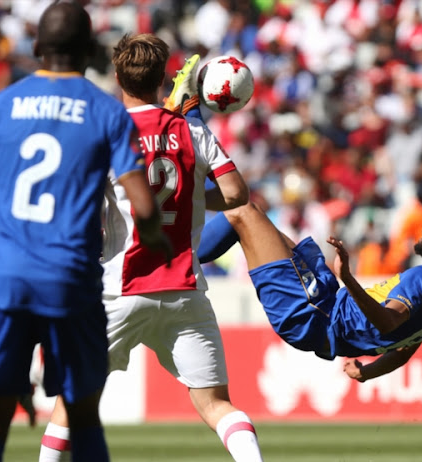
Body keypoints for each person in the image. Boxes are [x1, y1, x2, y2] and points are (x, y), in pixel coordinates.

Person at [38, 34, 263, 462]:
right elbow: (236, 195)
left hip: (119, 288)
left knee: (71, 403)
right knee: (217, 406)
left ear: (117, 77)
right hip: (184, 289)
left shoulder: (107, 134)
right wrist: (195, 195)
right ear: (164, 77)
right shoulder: (192, 128)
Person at [0, 4, 170, 462]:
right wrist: (156, 240)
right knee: (81, 415)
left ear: (38, 47)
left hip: (5, 280)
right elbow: (143, 206)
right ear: (90, 50)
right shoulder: (106, 111)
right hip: (71, 283)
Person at [218, 202, 422, 381]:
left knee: (242, 212)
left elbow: (388, 322)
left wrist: (347, 278)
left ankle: (180, 256)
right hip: (325, 303)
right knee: (260, 224)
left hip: (314, 314)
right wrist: (366, 373)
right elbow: (404, 351)